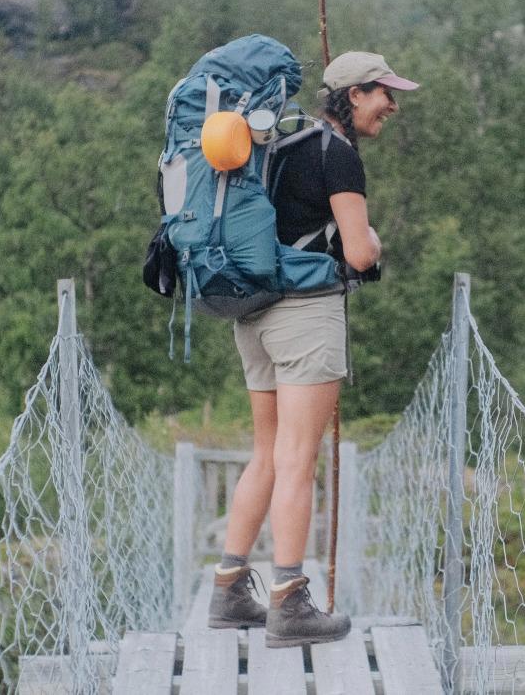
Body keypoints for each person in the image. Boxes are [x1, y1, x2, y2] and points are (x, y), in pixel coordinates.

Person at [205, 51, 416, 648]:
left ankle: (228, 589)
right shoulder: (338, 156)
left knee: (267, 453)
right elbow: (357, 254)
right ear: (353, 95)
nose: (392, 106)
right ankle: (290, 603)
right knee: (300, 459)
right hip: (306, 314)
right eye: (384, 94)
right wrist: (373, 238)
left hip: (254, 314)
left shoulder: (283, 143)